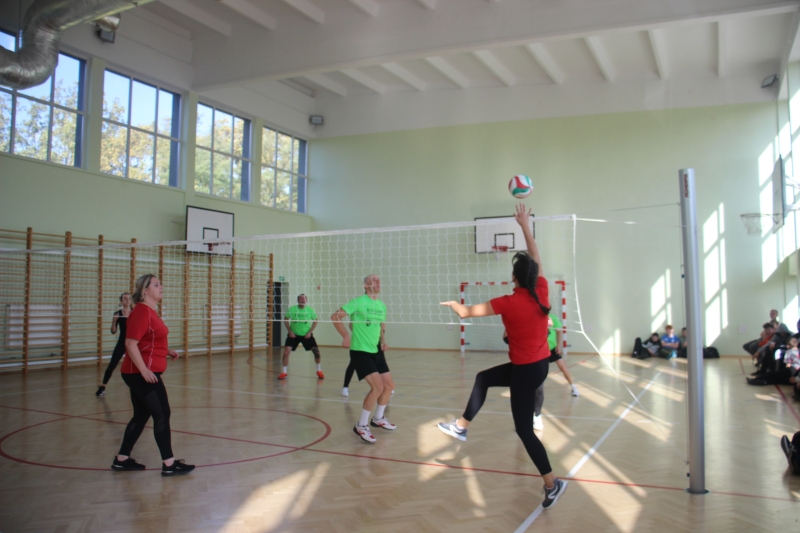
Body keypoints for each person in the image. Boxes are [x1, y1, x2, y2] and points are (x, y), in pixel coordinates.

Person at [437, 203, 568, 510]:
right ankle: (461, 426)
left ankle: (553, 483)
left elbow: (466, 312)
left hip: (525, 371)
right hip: (539, 366)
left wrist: (454, 305)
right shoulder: (542, 291)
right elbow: (536, 257)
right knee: (483, 378)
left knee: (524, 431)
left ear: (514, 277)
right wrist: (524, 226)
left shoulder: (507, 302)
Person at [112, 274, 194, 476]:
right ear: (145, 291)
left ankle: (122, 459)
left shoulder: (149, 311)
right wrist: (144, 370)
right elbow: (130, 343)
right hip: (141, 374)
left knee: (141, 415)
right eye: (156, 284)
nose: (161, 286)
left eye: (160, 284)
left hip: (139, 372)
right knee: (162, 413)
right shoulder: (142, 312)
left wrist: (166, 351)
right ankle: (169, 464)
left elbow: (148, 341)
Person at [332, 275, 394, 443]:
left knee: (389, 386)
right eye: (374, 280)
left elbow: (381, 326)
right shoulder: (358, 302)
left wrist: (383, 341)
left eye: (379, 280)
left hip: (376, 350)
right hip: (360, 350)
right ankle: (361, 425)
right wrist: (345, 336)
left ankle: (378, 418)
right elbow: (335, 316)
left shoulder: (381, 305)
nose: (378, 282)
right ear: (366, 285)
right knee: (377, 387)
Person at [279, 294, 323, 380]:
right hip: (293, 335)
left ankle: (319, 371)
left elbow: (316, 320)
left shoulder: (310, 310)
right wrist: (290, 331)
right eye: (300, 298)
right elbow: (286, 319)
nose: (302, 300)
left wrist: (310, 332)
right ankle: (284, 372)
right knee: (286, 352)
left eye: (304, 298)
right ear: (298, 300)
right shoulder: (292, 309)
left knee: (316, 352)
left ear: (306, 300)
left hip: (306, 335)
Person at [96, 292, 132, 397]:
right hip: (121, 343)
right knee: (112, 365)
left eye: (129, 298)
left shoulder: (135, 312)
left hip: (133, 343)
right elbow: (113, 331)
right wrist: (114, 321)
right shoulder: (118, 313)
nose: (127, 300)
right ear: (121, 300)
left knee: (139, 365)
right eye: (125, 298)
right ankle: (103, 387)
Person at [342, 323, 391, 397]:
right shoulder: (359, 317)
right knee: (352, 364)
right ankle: (345, 387)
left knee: (380, 363)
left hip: (375, 342)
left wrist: (382, 337)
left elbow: (382, 324)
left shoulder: (379, 317)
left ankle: (386, 385)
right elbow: (351, 325)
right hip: (361, 344)